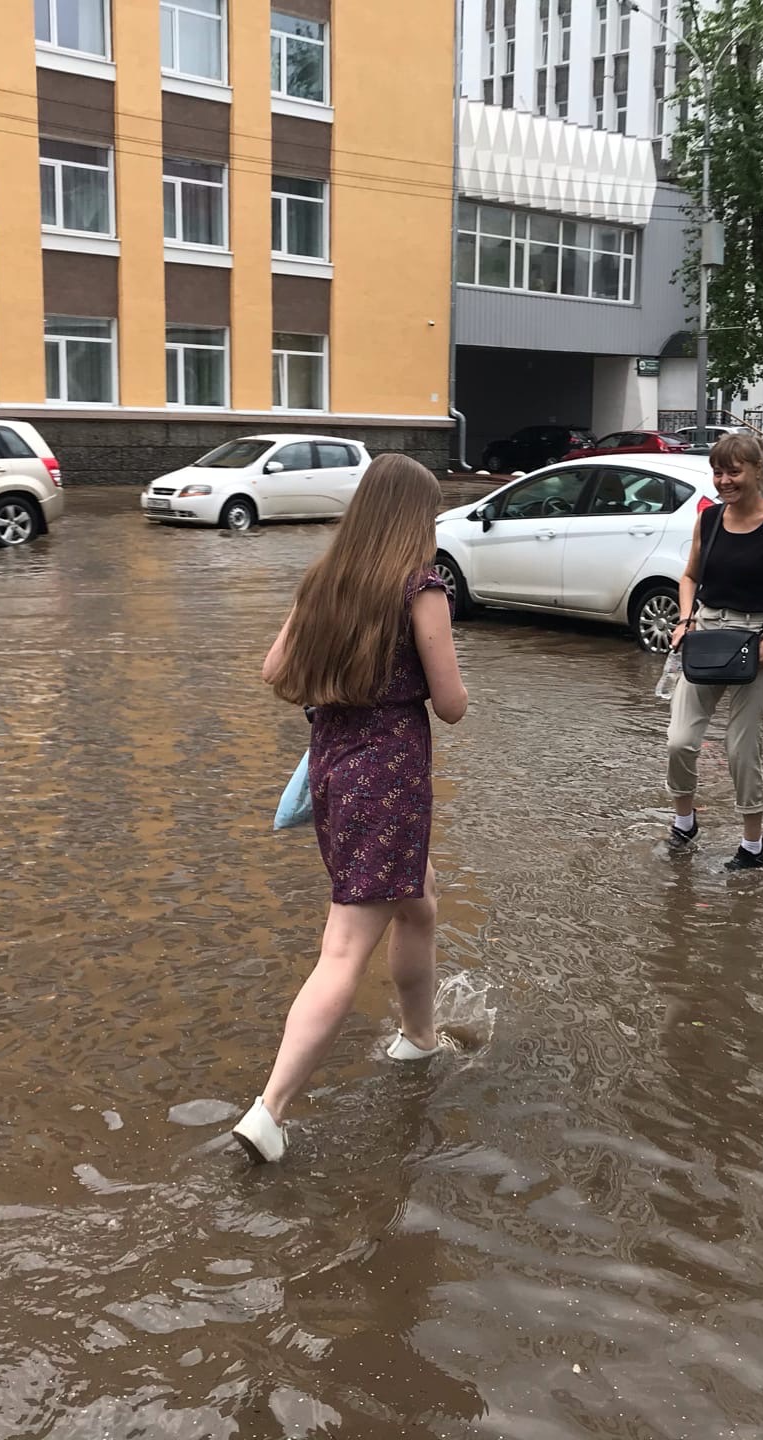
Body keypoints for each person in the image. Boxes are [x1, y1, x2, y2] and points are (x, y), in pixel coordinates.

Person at [232, 454, 469, 1163]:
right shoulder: (421, 587)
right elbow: (452, 706)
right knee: (343, 951)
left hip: (335, 771)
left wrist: (340, 685)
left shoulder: (326, 580)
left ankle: (418, 1039)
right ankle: (269, 1111)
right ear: (412, 519)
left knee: (417, 901)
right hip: (389, 778)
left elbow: (275, 672)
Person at [665, 433, 763, 870]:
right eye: (718, 471)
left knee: (740, 749)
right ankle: (685, 821)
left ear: (756, 472)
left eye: (734, 471)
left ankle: (752, 846)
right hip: (706, 634)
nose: (724, 480)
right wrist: (685, 618)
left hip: (757, 641)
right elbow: (689, 576)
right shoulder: (708, 520)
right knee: (680, 741)